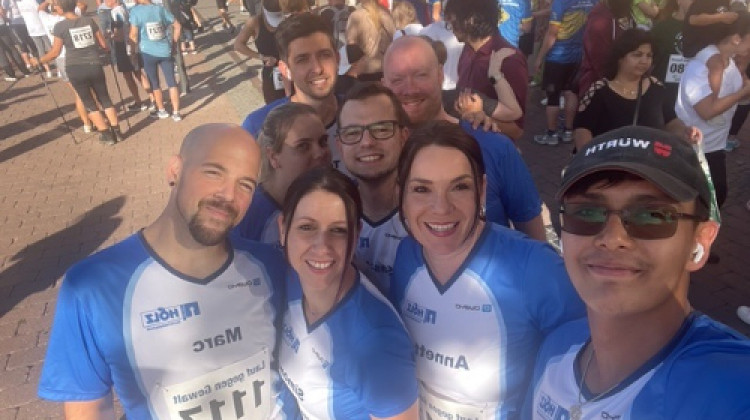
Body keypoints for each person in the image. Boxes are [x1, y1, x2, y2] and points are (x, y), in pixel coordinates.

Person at [38, 124, 286, 419]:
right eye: (213, 172)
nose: (228, 195)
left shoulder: (270, 265)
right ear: (174, 171)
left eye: (245, 185)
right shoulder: (92, 286)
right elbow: (88, 407)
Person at [525, 125, 750, 419]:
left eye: (652, 216)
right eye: (586, 212)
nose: (612, 238)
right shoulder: (557, 346)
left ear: (700, 242)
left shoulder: (730, 389)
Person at [391, 121, 585, 419]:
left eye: (459, 187)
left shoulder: (536, 268)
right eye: (421, 189)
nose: (441, 208)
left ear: (481, 191)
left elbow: (584, 373)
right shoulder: (407, 254)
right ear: (401, 195)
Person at [276, 166, 419, 420]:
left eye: (338, 230)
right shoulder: (288, 277)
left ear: (356, 236)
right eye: (307, 227)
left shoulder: (376, 342)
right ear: (283, 229)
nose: (322, 247)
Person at [382, 35, 547, 241]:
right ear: (384, 85)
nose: (410, 89)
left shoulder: (493, 145)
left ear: (440, 75)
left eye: (420, 75)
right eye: (397, 80)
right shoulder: (375, 156)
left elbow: (535, 238)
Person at [241, 13, 346, 172]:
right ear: (285, 70)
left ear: (337, 59)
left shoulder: (361, 115)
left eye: (324, 55)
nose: (317, 68)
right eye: (302, 60)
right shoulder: (258, 127)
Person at [335, 82, 410, 294]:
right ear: (340, 146)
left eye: (381, 129)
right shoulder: (332, 216)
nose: (367, 142)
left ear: (403, 137)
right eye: (352, 133)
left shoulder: (430, 214)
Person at [675, 11, 750, 212]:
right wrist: (742, 93)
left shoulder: (729, 61)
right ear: (736, 38)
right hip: (693, 148)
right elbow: (707, 111)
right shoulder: (702, 67)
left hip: (714, 145)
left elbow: (738, 87)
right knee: (701, 200)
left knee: (714, 197)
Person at [574, 29, 694, 150]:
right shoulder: (600, 91)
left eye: (649, 56)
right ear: (620, 57)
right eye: (637, 55)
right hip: (610, 160)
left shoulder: (656, 88)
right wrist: (590, 157)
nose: (644, 61)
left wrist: (685, 132)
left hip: (650, 160)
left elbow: (671, 121)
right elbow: (582, 129)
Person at [233, 102, 331, 245]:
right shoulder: (248, 217)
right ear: (273, 157)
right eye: (303, 146)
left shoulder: (329, 199)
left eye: (323, 142)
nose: (319, 153)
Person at [30, 0, 121, 145]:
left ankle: (106, 134)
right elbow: (104, 44)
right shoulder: (88, 21)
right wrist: (106, 50)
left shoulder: (60, 26)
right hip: (94, 64)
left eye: (56, 6)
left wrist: (39, 61)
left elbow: (55, 52)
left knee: (88, 101)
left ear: (61, 9)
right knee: (105, 98)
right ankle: (116, 131)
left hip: (75, 67)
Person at [444, 0, 527, 141]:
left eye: (453, 19)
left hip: (489, 148)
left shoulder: (509, 60)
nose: (449, 24)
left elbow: (517, 130)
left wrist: (482, 118)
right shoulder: (467, 50)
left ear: (471, 19)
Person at [533, 0, 595, 146]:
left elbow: (552, 33)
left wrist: (539, 57)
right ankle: (568, 131)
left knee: (553, 96)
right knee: (571, 93)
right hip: (578, 55)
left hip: (557, 56)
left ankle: (551, 134)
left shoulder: (560, 2)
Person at [37, 0, 93, 131]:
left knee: (78, 92)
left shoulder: (46, 19)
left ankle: (87, 123)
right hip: (76, 55)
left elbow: (39, 9)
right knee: (85, 91)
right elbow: (83, 5)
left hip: (61, 59)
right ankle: (92, 118)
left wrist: (47, 2)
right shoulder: (70, 14)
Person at [129, 0, 183, 121]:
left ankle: (162, 110)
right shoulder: (160, 9)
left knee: (154, 83)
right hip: (165, 50)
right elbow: (177, 26)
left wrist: (132, 53)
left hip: (148, 52)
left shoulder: (135, 12)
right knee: (171, 81)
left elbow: (133, 35)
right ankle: (176, 112)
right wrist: (174, 44)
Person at [234, 0, 288, 104]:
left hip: (290, 70)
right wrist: (261, 57)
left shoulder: (288, 19)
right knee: (274, 108)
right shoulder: (255, 22)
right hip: (271, 73)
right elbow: (238, 45)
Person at [576, 0, 634, 97]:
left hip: (624, 82)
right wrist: (616, 85)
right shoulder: (599, 21)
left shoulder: (626, 12)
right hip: (600, 86)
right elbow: (599, 61)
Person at [108, 0, 150, 111]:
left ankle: (139, 101)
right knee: (138, 73)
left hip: (123, 46)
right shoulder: (124, 9)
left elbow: (119, 31)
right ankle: (152, 98)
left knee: (129, 76)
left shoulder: (115, 12)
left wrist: (111, 36)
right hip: (131, 44)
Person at [345, 0, 395, 81]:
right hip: (387, 69)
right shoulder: (387, 15)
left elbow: (351, 48)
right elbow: (394, 41)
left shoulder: (356, 16)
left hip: (365, 71)